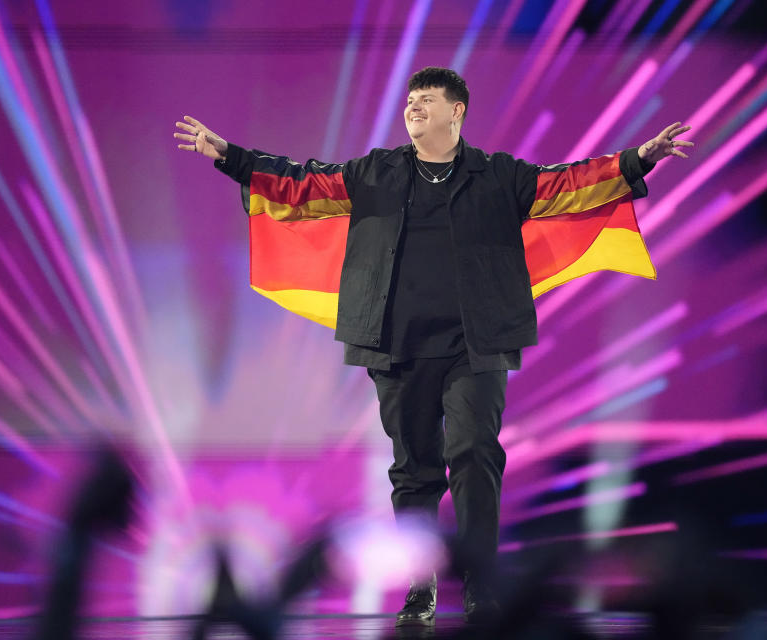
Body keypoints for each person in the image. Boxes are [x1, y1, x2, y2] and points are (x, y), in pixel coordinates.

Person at [174, 66, 692, 627]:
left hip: (478, 343)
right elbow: (301, 182)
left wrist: (640, 157)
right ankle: (418, 588)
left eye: (427, 99)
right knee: (415, 470)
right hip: (396, 344)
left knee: (473, 453)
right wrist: (231, 156)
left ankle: (480, 586)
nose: (414, 107)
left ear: (457, 111)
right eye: (410, 100)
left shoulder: (498, 175)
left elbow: (567, 183)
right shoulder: (376, 171)